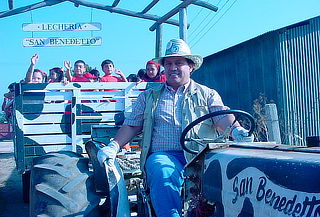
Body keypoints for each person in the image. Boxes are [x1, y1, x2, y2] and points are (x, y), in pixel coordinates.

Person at [95, 39, 254, 217]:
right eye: (168, 64)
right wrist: (114, 146)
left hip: (201, 156)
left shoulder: (207, 94)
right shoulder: (149, 96)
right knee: (162, 171)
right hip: (165, 154)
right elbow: (132, 125)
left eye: (179, 63)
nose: (172, 68)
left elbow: (222, 118)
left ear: (191, 66)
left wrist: (237, 131)